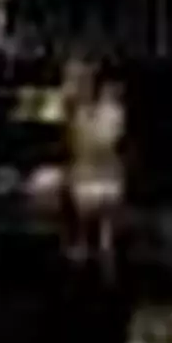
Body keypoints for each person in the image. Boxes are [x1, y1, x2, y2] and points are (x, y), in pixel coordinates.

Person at [63, 58, 126, 272]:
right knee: (90, 235)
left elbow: (105, 143)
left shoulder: (109, 111)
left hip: (101, 180)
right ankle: (86, 251)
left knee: (101, 234)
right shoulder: (81, 112)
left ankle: (98, 253)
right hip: (88, 180)